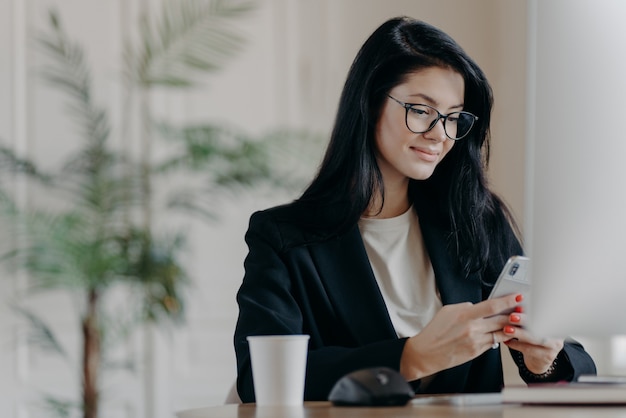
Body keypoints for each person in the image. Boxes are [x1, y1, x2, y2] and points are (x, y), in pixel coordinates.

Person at [233, 16, 596, 402]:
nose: (440, 134)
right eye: (421, 110)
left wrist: (546, 359)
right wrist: (411, 358)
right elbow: (259, 379)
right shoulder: (283, 237)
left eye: (454, 117)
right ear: (370, 104)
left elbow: (578, 363)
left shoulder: (475, 219)